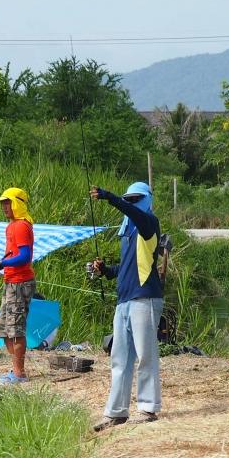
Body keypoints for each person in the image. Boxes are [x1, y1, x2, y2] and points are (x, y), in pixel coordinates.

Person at [89, 182, 164, 432]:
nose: (131, 203)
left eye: (136, 199)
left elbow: (134, 213)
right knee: (119, 358)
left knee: (146, 356)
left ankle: (148, 408)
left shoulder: (148, 223)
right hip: (124, 301)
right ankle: (117, 412)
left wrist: (110, 197)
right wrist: (106, 271)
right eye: (128, 199)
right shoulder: (128, 233)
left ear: (147, 200)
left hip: (145, 298)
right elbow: (127, 268)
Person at [0, 187, 36, 384]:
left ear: (17, 204)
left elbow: (24, 256)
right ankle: (16, 369)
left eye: (8, 203)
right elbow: (13, 256)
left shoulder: (21, 226)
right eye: (3, 204)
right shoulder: (12, 226)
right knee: (4, 328)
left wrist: (2, 263)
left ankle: (19, 373)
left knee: (16, 329)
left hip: (20, 283)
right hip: (10, 281)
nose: (4, 207)